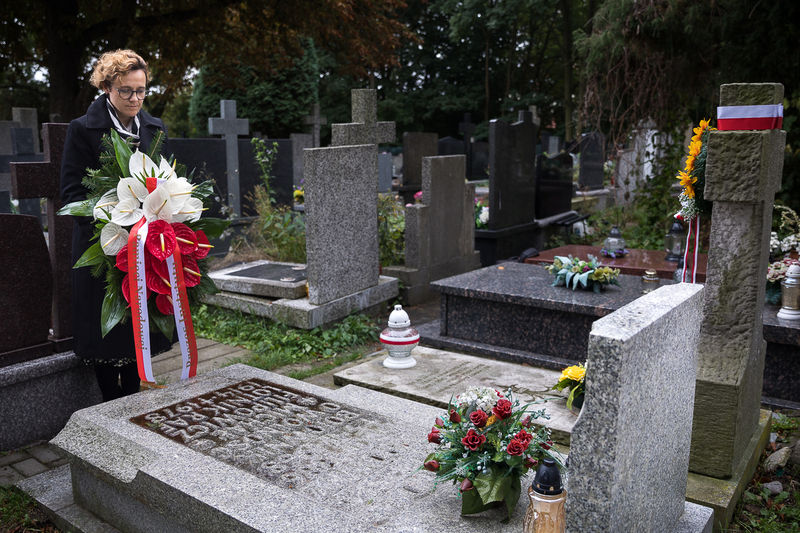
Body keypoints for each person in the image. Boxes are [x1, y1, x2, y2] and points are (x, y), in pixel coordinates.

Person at [60, 49, 172, 401]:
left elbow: (165, 182)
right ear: (107, 87)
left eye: (141, 90)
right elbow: (72, 194)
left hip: (145, 246)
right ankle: (111, 407)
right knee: (107, 337)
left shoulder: (154, 128)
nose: (135, 98)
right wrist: (117, 223)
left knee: (139, 328)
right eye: (126, 90)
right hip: (104, 245)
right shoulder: (82, 130)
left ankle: (135, 403)